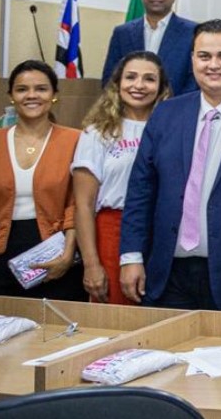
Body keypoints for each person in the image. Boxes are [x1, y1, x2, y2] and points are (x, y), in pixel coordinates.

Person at [120, 20, 221, 310]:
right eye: (204, 56)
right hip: (166, 274)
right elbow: (141, 190)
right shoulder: (167, 113)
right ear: (192, 59)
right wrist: (131, 256)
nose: (213, 65)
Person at [72, 52, 171, 304]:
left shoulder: (172, 128)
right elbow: (83, 204)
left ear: (161, 88)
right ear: (117, 83)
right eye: (131, 77)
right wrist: (91, 264)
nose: (138, 85)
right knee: (117, 314)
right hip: (112, 231)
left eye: (149, 79)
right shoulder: (98, 132)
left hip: (163, 232)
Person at [0, 61, 84, 300]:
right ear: (11, 96)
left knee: (56, 329)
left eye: (41, 89)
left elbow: (77, 204)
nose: (31, 95)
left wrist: (67, 253)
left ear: (54, 95)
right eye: (22, 89)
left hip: (55, 248)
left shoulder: (76, 140)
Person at [104, 0, 198, 95]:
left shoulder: (193, 32)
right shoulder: (122, 33)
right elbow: (110, 78)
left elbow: (195, 79)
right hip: (129, 111)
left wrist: (176, 108)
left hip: (176, 110)